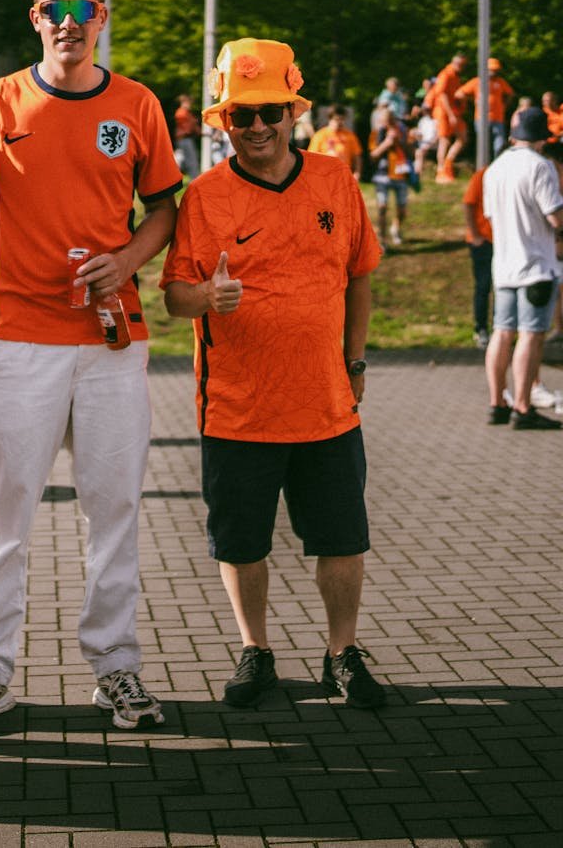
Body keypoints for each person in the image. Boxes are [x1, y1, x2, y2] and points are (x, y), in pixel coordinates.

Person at [0, 0, 181, 734]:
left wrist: (126, 259)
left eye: (82, 10)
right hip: (21, 335)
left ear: (102, 18)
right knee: (6, 511)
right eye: (54, 11)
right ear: (36, 19)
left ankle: (117, 668)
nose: (68, 24)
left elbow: (165, 210)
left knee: (114, 508)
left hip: (111, 339)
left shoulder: (138, 105)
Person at [160, 37, 386, 710]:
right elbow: (174, 297)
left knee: (342, 540)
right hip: (238, 408)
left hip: (326, 402)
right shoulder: (203, 197)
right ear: (221, 121)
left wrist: (355, 359)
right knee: (242, 542)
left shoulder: (334, 181)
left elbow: (360, 275)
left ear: (294, 111)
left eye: (270, 112)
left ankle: (342, 652)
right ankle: (255, 649)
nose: (257, 127)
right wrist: (206, 297)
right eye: (241, 115)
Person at [480, 107, 563, 430]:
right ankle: (524, 407)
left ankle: (497, 402)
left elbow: (489, 216)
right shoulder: (541, 167)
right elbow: (555, 216)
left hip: (504, 266)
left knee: (502, 333)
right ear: (543, 138)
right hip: (536, 267)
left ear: (515, 134)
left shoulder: (495, 168)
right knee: (531, 335)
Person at [367, 105, 413, 248]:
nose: (386, 124)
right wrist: (386, 144)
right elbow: (373, 156)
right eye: (384, 121)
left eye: (390, 121)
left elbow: (410, 152)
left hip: (400, 174)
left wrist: (398, 141)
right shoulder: (375, 134)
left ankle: (396, 229)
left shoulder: (402, 132)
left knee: (402, 209)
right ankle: (382, 239)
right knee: (382, 207)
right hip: (382, 176)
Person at [457, 58, 515, 159]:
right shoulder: (477, 81)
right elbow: (459, 94)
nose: (494, 72)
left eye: (495, 70)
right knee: (483, 146)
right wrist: (473, 99)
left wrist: (504, 105)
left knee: (499, 144)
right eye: (492, 69)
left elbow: (510, 94)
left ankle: (498, 166)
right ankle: (483, 167)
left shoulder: (500, 82)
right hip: (481, 118)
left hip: (498, 118)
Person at [463, 167, 494, 350]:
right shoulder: (482, 175)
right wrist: (475, 235)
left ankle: (500, 330)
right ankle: (481, 328)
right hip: (482, 240)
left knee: (501, 287)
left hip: (503, 240)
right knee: (483, 286)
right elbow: (468, 203)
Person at [428, 54, 467, 183]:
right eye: (459, 64)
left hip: (453, 112)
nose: (461, 67)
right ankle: (440, 171)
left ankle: (448, 163)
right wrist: (450, 115)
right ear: (454, 62)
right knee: (444, 140)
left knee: (462, 137)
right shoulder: (445, 74)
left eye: (463, 64)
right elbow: (442, 95)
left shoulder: (456, 76)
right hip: (443, 112)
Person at [308, 105, 363, 180]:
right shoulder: (319, 135)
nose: (340, 122)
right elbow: (311, 159)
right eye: (337, 119)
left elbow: (357, 156)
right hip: (324, 177)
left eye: (342, 119)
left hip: (344, 176)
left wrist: (357, 173)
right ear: (330, 119)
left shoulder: (350, 136)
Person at [173, 92, 201, 180]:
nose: (190, 105)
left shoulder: (185, 113)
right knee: (191, 160)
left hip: (184, 139)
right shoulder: (181, 113)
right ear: (185, 102)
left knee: (180, 159)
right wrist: (194, 122)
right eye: (189, 103)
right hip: (184, 139)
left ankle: (172, 178)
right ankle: (194, 179)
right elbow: (188, 128)